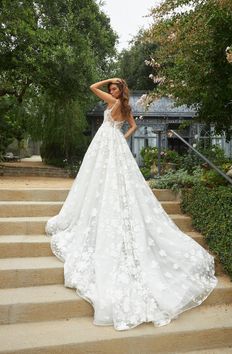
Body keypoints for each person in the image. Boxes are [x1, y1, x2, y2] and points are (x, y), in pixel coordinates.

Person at [45, 77, 218, 331]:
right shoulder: (125, 107)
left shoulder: (113, 101)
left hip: (106, 141)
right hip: (113, 140)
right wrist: (121, 135)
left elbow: (92, 87)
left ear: (119, 90)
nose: (110, 90)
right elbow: (134, 126)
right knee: (110, 177)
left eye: (114, 87)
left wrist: (106, 82)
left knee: (102, 175)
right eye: (111, 88)